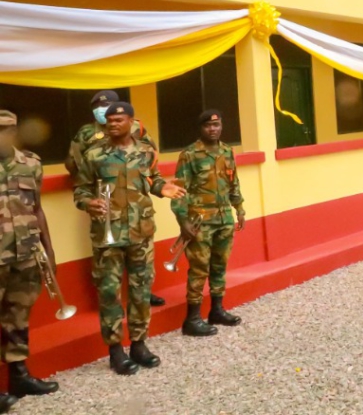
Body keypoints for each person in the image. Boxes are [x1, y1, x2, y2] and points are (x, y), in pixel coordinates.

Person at [73, 102, 186, 375]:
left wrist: (163, 188)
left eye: (118, 119)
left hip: (141, 233)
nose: (112, 123)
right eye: (109, 120)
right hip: (107, 236)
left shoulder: (146, 151)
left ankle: (139, 345)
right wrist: (88, 203)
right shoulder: (94, 155)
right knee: (110, 294)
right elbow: (80, 191)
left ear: (131, 121)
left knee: (141, 291)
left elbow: (152, 180)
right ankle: (115, 352)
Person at [65, 90, 166, 308]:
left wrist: (160, 184)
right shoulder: (86, 134)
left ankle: (143, 295)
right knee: (108, 269)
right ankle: (111, 305)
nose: (106, 112)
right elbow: (73, 163)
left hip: (135, 208)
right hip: (105, 202)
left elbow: (151, 158)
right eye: (101, 107)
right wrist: (93, 183)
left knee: (140, 263)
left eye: (111, 107)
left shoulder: (138, 130)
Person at [0, 111, 60, 408]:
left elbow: (37, 208)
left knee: (19, 317)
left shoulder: (31, 164)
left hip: (24, 255)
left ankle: (19, 375)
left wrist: (49, 251)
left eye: (6, 130)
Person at [174, 110, 246, 337]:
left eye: (216, 125)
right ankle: (192, 319)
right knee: (198, 269)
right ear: (201, 128)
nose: (213, 129)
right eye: (208, 126)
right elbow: (179, 191)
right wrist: (182, 220)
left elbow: (233, 181)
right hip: (200, 222)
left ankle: (217, 310)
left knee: (219, 266)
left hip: (224, 218)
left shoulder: (227, 151)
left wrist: (239, 207)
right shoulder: (190, 154)